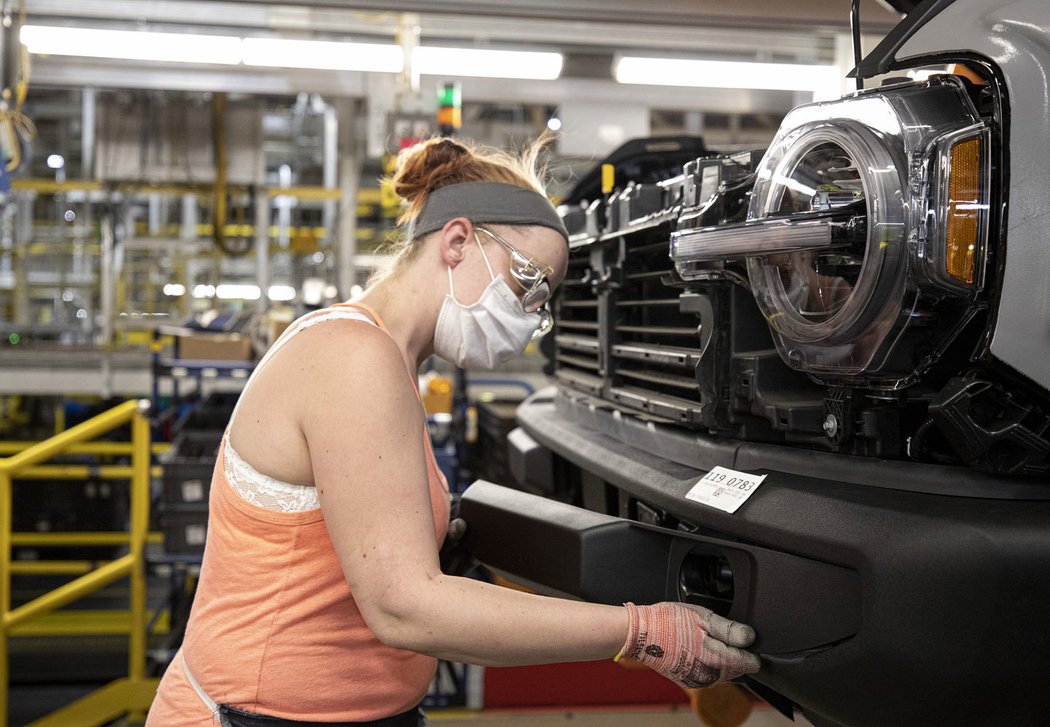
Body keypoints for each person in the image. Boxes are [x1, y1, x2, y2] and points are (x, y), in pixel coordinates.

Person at [146, 137, 761, 727]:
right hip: (255, 716)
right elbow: (403, 607)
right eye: (529, 283)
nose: (532, 316)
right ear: (459, 240)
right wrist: (639, 632)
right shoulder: (352, 358)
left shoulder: (387, 362)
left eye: (544, 301)